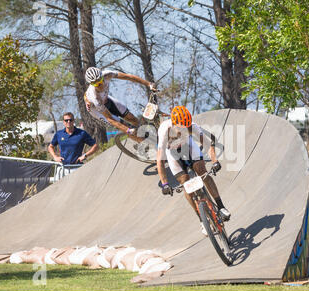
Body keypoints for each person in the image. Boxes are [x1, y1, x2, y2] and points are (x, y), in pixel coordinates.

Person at [156, 106, 231, 236]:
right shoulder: (164, 130)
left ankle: (221, 206)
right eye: (180, 127)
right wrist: (165, 183)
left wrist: (215, 162)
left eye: (186, 127)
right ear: (173, 123)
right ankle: (202, 219)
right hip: (173, 154)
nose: (184, 129)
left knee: (202, 171)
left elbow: (208, 144)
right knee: (185, 183)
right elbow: (160, 160)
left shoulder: (192, 126)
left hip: (189, 147)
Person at [83, 67, 156, 139]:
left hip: (106, 99)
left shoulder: (107, 75)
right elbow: (110, 119)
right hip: (96, 110)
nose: (100, 85)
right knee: (125, 127)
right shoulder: (95, 97)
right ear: (92, 84)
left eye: (100, 81)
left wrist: (149, 84)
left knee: (131, 118)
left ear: (102, 77)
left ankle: (149, 134)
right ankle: (144, 144)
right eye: (96, 84)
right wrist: (127, 130)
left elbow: (128, 77)